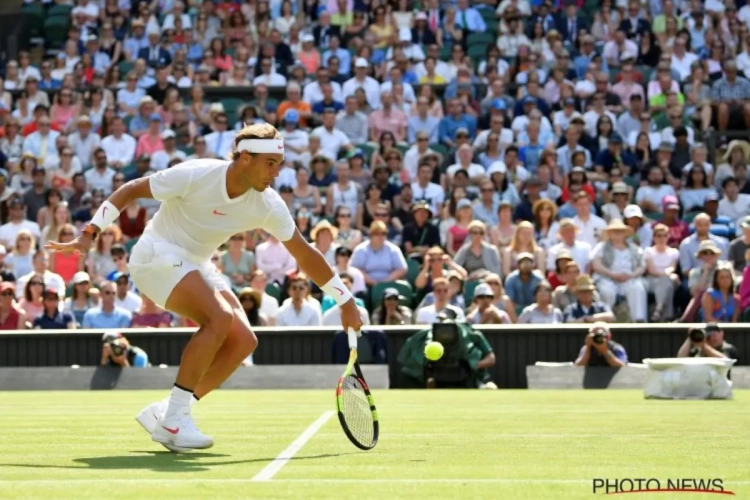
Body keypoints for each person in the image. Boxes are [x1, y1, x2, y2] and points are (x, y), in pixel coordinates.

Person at [47, 123, 364, 452]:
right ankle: (174, 421)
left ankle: (168, 412)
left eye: (279, 165)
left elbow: (304, 252)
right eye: (269, 164)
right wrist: (89, 232)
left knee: (244, 340)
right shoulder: (197, 174)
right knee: (219, 318)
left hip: (196, 262)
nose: (276, 173)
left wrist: (345, 300)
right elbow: (130, 189)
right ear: (244, 158)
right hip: (154, 255)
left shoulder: (268, 203)